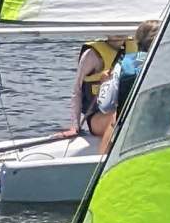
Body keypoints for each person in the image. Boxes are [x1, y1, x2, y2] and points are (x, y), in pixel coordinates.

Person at [90, 20, 158, 150]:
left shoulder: (123, 65)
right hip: (162, 128)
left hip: (129, 128)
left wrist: (104, 83)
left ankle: (101, 164)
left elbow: (105, 105)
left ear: (136, 39)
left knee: (115, 117)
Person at [61, 31, 136, 142]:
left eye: (122, 29)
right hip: (98, 116)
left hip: (126, 109)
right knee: (120, 116)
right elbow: (77, 91)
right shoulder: (92, 55)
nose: (119, 32)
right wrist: (74, 127)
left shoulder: (136, 49)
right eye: (115, 28)